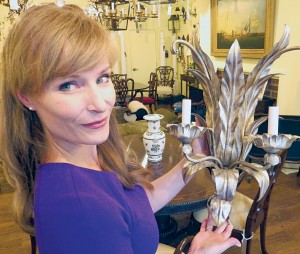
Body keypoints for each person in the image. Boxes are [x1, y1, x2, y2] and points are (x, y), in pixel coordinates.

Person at [0, 4, 241, 254]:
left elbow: (134, 206)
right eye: (68, 85)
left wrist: (194, 159)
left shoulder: (93, 152)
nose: (100, 103)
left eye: (102, 78)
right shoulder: (77, 206)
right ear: (27, 96)